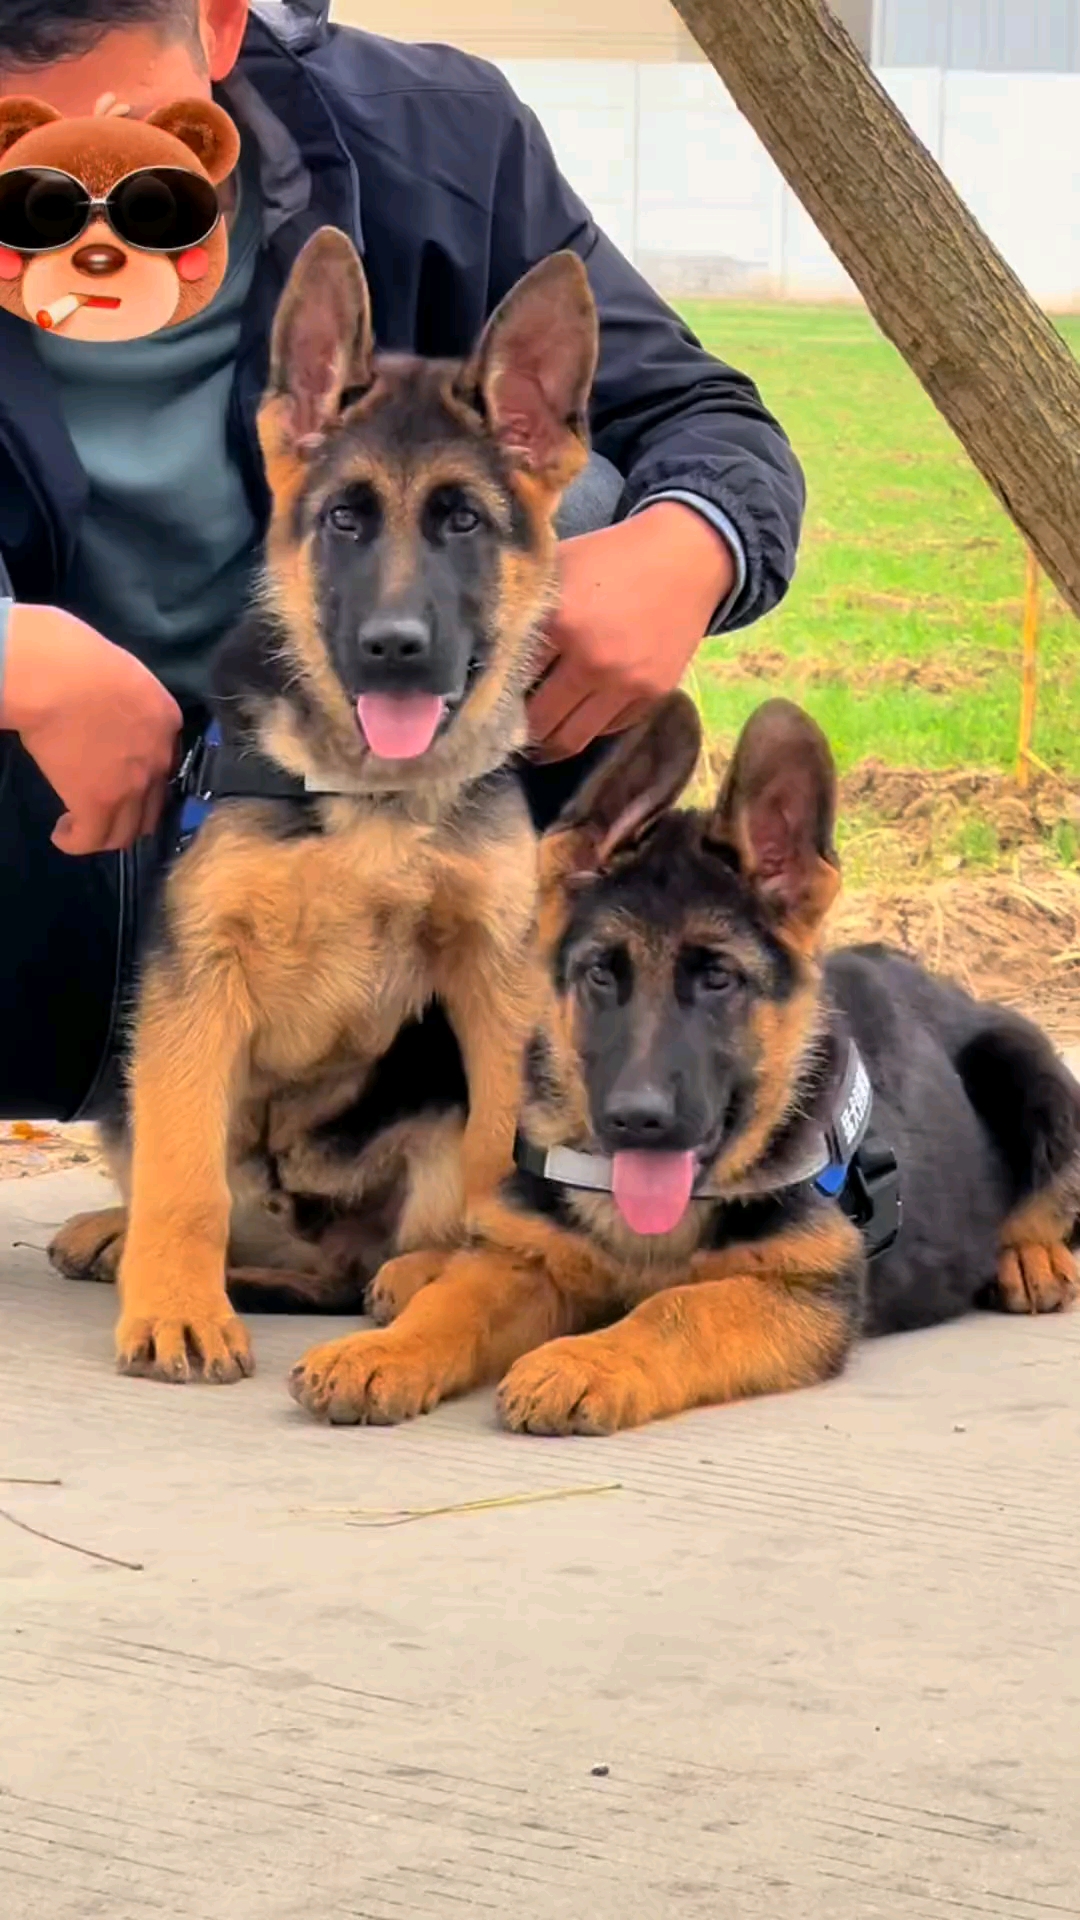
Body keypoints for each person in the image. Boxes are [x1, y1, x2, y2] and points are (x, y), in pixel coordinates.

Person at [0, 0, 805, 1122]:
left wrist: (692, 544)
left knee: (583, 503)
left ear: (221, 27)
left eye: (145, 146)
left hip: (391, 897)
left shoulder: (437, 138)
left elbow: (699, 416)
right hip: (41, 901)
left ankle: (449, 1107)